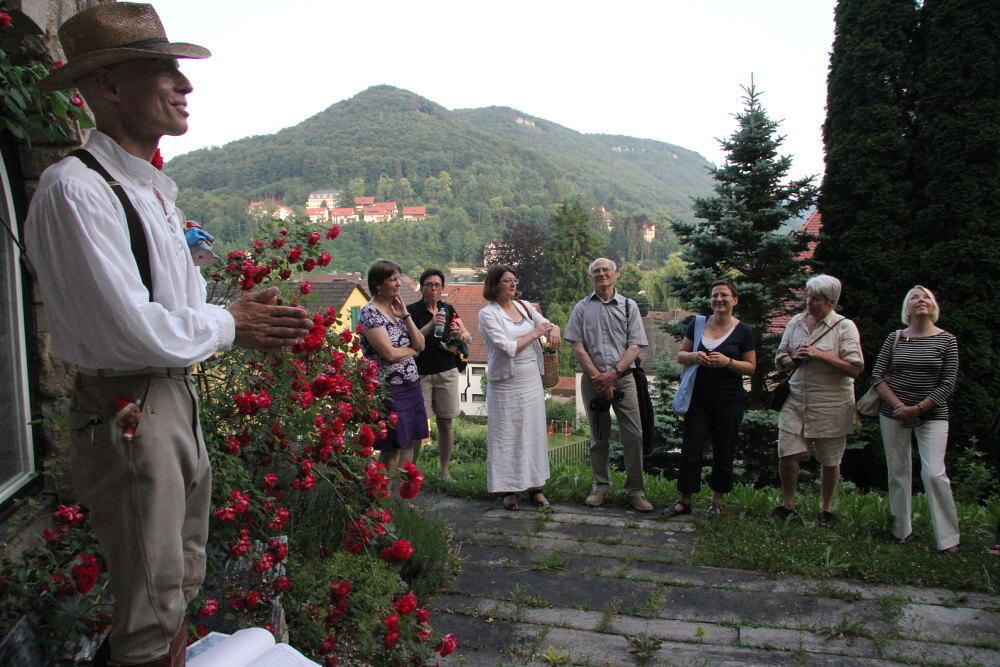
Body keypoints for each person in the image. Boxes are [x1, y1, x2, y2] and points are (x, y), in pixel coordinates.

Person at [23, 4, 313, 665]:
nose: (185, 87)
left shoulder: (151, 192)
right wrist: (230, 321)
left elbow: (167, 312)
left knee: (176, 582)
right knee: (150, 604)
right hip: (130, 406)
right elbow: (129, 329)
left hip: (167, 397)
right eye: (163, 71)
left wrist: (236, 318)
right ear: (107, 87)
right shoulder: (76, 191)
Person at [872, 286, 960, 552]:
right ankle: (901, 530)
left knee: (934, 473)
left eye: (926, 298)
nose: (921, 301)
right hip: (893, 414)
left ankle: (948, 538)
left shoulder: (947, 340)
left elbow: (948, 383)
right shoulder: (895, 337)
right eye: (915, 298)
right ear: (907, 308)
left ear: (933, 306)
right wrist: (899, 406)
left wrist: (918, 408)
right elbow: (877, 375)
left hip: (932, 415)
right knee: (898, 472)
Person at [772, 275, 863, 527]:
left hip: (832, 404)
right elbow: (780, 359)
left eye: (816, 300)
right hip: (796, 400)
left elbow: (854, 369)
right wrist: (794, 359)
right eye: (808, 297)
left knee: (829, 459)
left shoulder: (845, 327)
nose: (809, 303)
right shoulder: (795, 322)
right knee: (787, 453)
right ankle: (788, 503)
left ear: (831, 302)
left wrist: (820, 355)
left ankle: (826, 508)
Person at [564, 258, 652, 512]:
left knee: (633, 435)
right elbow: (578, 346)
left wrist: (612, 375)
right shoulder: (581, 308)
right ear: (591, 277)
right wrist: (597, 377)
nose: (601, 274)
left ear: (616, 275)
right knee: (598, 435)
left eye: (606, 270)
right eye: (596, 271)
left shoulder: (629, 306)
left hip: (624, 379)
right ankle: (600, 485)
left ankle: (636, 491)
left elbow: (634, 345)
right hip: (592, 380)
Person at [666, 280, 756, 518]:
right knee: (690, 449)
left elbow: (751, 367)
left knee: (724, 450)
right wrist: (695, 355)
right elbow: (680, 356)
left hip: (729, 401)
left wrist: (727, 362)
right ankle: (684, 500)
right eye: (715, 295)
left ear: (734, 300)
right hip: (698, 399)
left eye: (724, 295)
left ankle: (717, 501)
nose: (719, 300)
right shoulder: (697, 325)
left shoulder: (744, 330)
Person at [478, 265, 561, 510]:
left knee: (533, 433)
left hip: (532, 381)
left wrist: (553, 328)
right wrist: (536, 332)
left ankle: (536, 488)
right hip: (505, 384)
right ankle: (509, 489)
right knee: (507, 436)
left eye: (514, 280)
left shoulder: (524, 306)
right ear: (494, 285)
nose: (513, 284)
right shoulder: (488, 314)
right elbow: (507, 347)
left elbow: (547, 323)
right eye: (507, 281)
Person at [359, 261, 428, 472]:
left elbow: (421, 343)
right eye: (393, 279)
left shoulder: (395, 310)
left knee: (410, 441)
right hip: (389, 389)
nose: (399, 283)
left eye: (399, 277)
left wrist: (405, 315)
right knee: (392, 446)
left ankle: (400, 497)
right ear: (379, 285)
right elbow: (388, 354)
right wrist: (412, 351)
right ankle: (383, 498)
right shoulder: (370, 313)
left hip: (410, 384)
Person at [407, 269, 472, 482]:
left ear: (442, 288)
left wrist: (459, 334)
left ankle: (444, 470)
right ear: (421, 287)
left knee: (446, 423)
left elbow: (467, 336)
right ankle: (411, 473)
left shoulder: (449, 309)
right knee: (418, 427)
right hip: (421, 374)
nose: (433, 288)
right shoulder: (412, 311)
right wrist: (430, 325)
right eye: (428, 284)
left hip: (447, 372)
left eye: (436, 285)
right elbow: (411, 342)